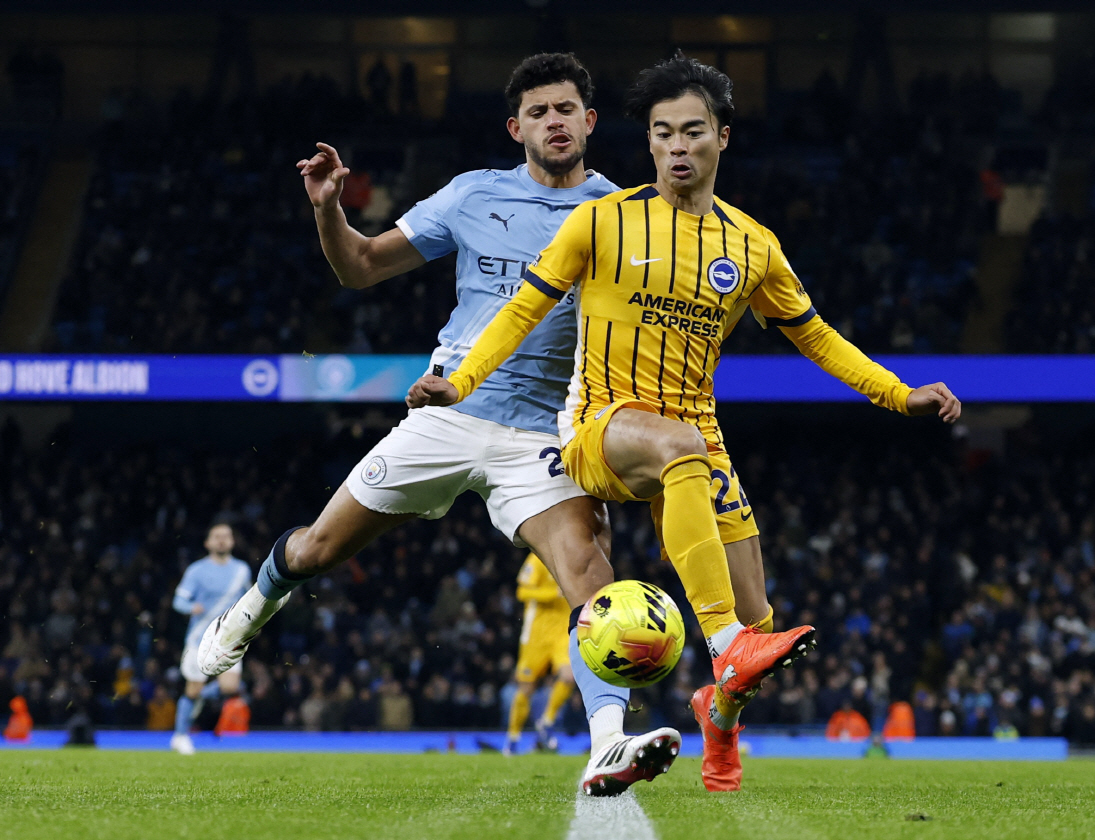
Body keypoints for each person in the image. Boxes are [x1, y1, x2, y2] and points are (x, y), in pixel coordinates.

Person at [406, 53, 962, 793]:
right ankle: (722, 642)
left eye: (692, 132)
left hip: (695, 440)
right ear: (648, 145)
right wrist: (461, 381)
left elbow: (818, 337)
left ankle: (719, 715)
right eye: (661, 133)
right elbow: (523, 310)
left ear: (722, 138)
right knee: (689, 477)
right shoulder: (600, 220)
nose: (675, 146)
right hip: (600, 424)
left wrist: (898, 394)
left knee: (763, 621)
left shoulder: (752, 245)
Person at [197, 53, 678, 795]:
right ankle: (252, 608)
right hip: (446, 414)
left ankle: (609, 743)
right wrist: (328, 207)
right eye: (539, 112)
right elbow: (357, 268)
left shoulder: (624, 214)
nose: (555, 122)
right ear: (517, 127)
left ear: (589, 120)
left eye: (567, 109)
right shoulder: (471, 195)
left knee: (591, 572)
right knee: (318, 549)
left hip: (542, 435)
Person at [170, 523, 252, 755]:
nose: (222, 540)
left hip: (229, 639)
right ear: (207, 543)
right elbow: (179, 601)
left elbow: (249, 599)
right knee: (193, 688)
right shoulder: (196, 570)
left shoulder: (242, 570)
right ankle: (180, 736)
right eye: (217, 537)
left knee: (231, 686)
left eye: (226, 536)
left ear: (233, 541)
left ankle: (194, 701)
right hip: (199, 639)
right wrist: (191, 607)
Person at [504, 553, 574, 755]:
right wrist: (553, 593)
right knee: (526, 687)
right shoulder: (537, 558)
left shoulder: (572, 558)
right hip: (536, 635)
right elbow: (522, 592)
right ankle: (513, 738)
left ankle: (547, 721)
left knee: (569, 676)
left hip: (562, 632)